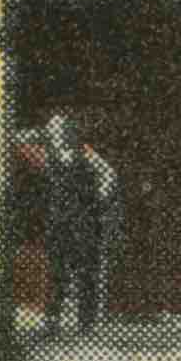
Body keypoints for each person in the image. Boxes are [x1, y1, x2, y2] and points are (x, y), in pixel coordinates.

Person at [36, 111, 117, 334]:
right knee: (56, 271)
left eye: (63, 129)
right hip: (58, 218)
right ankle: (52, 322)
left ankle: (86, 323)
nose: (59, 133)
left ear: (70, 131)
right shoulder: (45, 154)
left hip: (83, 217)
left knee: (86, 271)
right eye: (54, 129)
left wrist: (101, 194)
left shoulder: (84, 151)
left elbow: (108, 172)